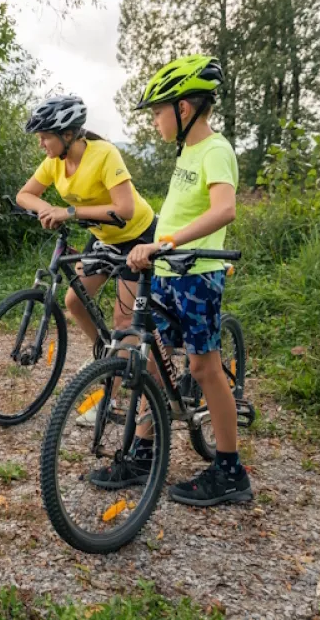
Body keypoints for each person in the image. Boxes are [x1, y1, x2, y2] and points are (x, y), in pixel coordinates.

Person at [92, 55, 252, 506]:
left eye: (159, 111)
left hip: (197, 275)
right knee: (155, 362)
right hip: (165, 271)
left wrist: (168, 242)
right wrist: (148, 249)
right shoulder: (186, 151)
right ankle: (143, 451)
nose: (155, 121)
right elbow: (177, 210)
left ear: (184, 109)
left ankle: (229, 470)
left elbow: (224, 209)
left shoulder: (216, 149)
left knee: (203, 367)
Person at [16, 95, 157, 426]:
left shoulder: (104, 154)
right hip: (104, 237)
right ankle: (107, 359)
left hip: (136, 237)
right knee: (74, 301)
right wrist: (45, 210)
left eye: (45, 136)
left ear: (67, 135)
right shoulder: (55, 161)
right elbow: (26, 194)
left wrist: (68, 211)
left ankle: (111, 393)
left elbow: (125, 210)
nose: (41, 144)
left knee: (125, 325)